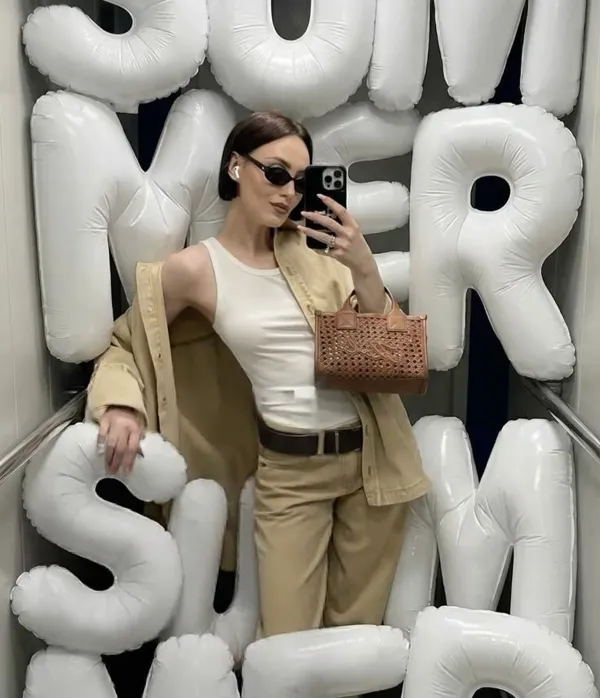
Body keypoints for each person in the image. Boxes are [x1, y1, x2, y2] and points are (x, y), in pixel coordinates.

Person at [88, 111, 430, 643]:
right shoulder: (194, 271)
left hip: (373, 464)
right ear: (235, 167)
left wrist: (363, 266)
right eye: (275, 173)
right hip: (288, 474)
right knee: (286, 644)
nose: (288, 192)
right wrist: (119, 405)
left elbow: (388, 360)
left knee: (353, 642)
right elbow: (127, 343)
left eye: (300, 179)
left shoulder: (320, 255)